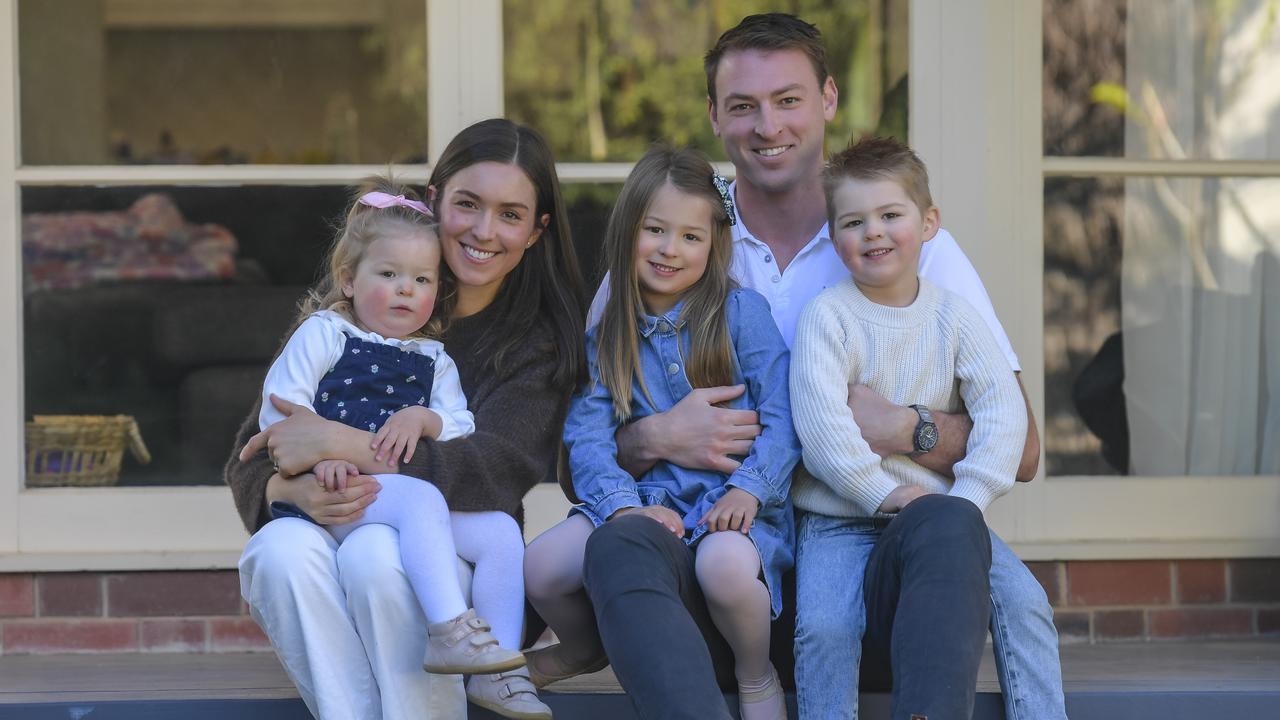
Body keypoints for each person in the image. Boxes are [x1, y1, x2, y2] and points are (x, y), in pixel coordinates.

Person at [581, 13, 1067, 720]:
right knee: (617, 543)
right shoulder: (674, 234)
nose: (766, 125)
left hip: (863, 582)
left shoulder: (899, 237)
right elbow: (581, 445)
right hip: (714, 571)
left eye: (788, 100)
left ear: (828, 100)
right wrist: (655, 439)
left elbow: (1021, 449)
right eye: (743, 106)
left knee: (947, 525)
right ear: (715, 115)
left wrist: (906, 428)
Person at [228, 118, 586, 720]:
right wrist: (285, 488)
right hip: (338, 505)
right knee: (277, 553)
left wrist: (343, 441)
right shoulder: (370, 298)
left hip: (454, 552)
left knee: (376, 557)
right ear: (435, 198)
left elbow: (494, 471)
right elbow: (258, 442)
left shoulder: (537, 343)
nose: (482, 231)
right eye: (468, 204)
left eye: (510, 214)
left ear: (536, 231)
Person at [524, 146, 800, 720]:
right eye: (655, 229)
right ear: (629, 230)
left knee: (724, 569)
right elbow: (588, 438)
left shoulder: (741, 314)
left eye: (691, 237)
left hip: (733, 506)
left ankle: (755, 671)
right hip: (639, 503)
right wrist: (624, 509)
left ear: (714, 244)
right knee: (541, 568)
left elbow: (785, 415)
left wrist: (750, 489)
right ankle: (583, 646)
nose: (670, 250)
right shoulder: (607, 335)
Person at [790, 135, 1029, 717]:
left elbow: (1004, 411)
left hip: (944, 516)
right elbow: (822, 430)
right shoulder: (827, 317)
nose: (872, 231)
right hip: (838, 520)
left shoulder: (955, 315)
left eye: (890, 215)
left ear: (928, 224)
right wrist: (884, 493)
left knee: (1027, 607)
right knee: (825, 627)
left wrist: (966, 502)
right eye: (853, 222)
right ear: (834, 238)